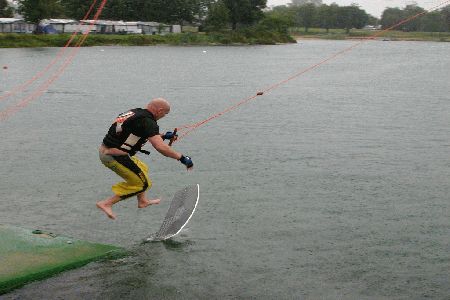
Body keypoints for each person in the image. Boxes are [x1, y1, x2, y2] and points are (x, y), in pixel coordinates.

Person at [96, 98, 193, 220]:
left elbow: (136, 132)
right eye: (165, 114)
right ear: (160, 110)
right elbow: (160, 147)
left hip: (110, 152)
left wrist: (164, 136)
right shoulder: (148, 122)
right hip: (113, 157)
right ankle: (106, 203)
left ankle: (142, 201)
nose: (164, 116)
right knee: (143, 184)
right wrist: (182, 158)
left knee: (142, 169)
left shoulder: (135, 112)